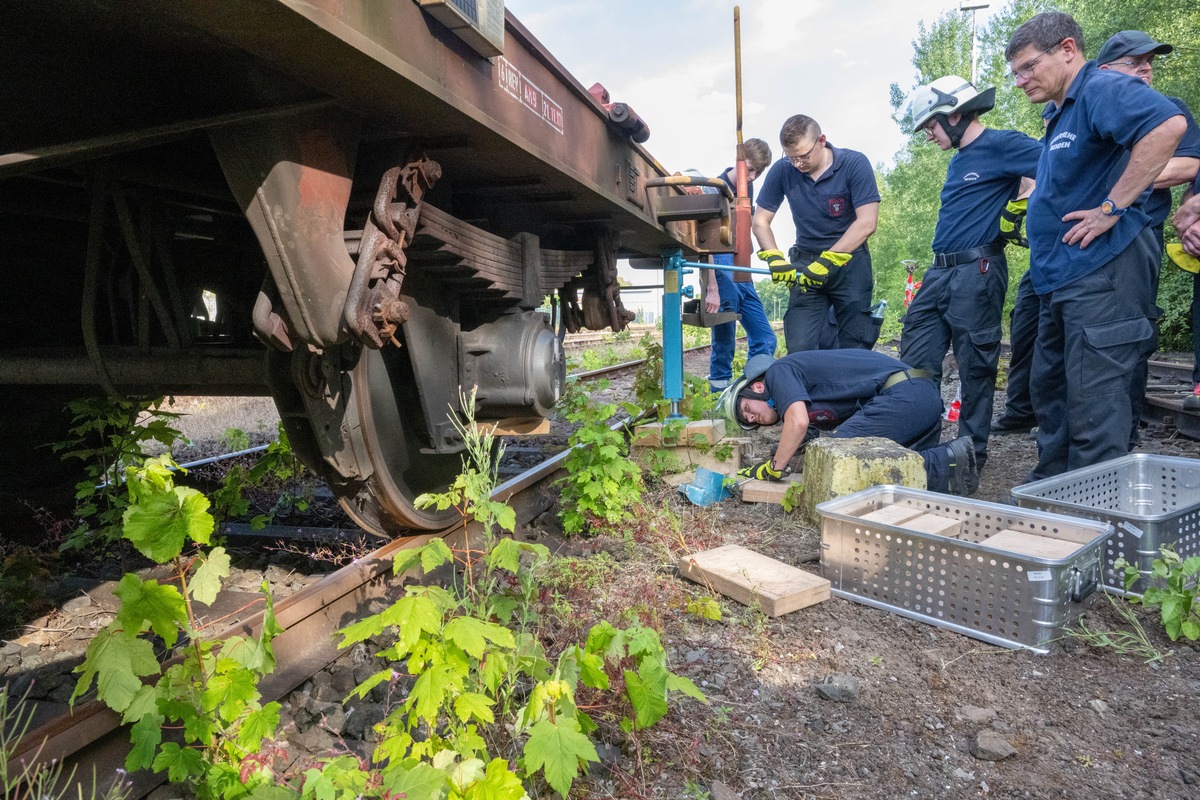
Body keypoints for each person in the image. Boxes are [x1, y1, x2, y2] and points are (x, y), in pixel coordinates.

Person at [1004, 12, 1185, 480]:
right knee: (1054, 392)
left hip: (1101, 275)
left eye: (1027, 67)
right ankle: (1054, 495)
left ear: (1067, 49)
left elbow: (1168, 127)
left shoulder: (1099, 87)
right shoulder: (1061, 110)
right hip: (1061, 278)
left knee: (1094, 406)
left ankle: (1097, 527)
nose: (1021, 81)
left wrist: (1111, 208)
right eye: (1015, 73)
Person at [898, 75, 1041, 491]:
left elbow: (1056, 166)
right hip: (939, 272)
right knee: (916, 362)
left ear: (956, 114)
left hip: (977, 271)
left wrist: (1021, 202)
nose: (929, 136)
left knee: (975, 365)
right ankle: (920, 447)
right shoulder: (960, 158)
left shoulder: (1002, 143)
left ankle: (969, 455)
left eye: (931, 126)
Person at [1095, 31, 1200, 441]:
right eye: (1133, 61)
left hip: (1137, 231)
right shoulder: (1086, 108)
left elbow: (1188, 166)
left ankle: (1126, 432)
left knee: (1132, 333)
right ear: (1104, 71)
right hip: (1080, 239)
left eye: (1149, 61)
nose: (1146, 67)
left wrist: (1118, 183)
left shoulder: (1170, 110)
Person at [717, 352, 977, 495]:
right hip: (913, 399)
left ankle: (949, 462)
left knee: (838, 458)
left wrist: (774, 468)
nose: (751, 418)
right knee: (881, 482)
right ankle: (937, 466)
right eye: (747, 421)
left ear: (757, 386)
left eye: (747, 409)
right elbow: (809, 426)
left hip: (905, 396)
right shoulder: (796, 386)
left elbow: (797, 423)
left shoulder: (779, 371)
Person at [751, 115, 881, 353]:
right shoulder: (782, 171)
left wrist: (829, 259)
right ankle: (806, 389)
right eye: (791, 158)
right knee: (800, 346)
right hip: (806, 266)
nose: (798, 164)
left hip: (850, 264)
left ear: (821, 140)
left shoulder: (854, 164)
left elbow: (867, 222)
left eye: (803, 156)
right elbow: (760, 221)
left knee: (855, 345)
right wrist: (774, 256)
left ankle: (854, 389)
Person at [698, 140, 779, 392]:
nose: (753, 177)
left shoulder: (749, 189)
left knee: (765, 337)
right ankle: (719, 397)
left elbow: (753, 227)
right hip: (719, 267)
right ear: (739, 162)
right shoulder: (713, 189)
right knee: (724, 342)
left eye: (758, 173)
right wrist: (711, 286)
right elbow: (705, 245)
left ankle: (749, 390)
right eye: (750, 170)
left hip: (743, 268)